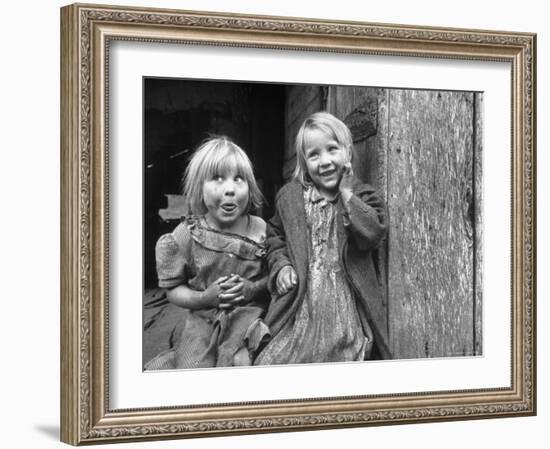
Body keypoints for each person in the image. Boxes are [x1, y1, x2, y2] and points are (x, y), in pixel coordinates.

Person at [255, 111, 391, 365]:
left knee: (340, 356)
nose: (325, 161)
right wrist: (281, 265)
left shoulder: (363, 196)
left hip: (344, 302)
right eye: (313, 154)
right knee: (277, 358)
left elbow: (371, 234)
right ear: (304, 162)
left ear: (348, 152)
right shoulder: (291, 198)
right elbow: (274, 237)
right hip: (302, 300)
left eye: (332, 149)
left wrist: (347, 195)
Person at [145, 137, 270, 370]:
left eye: (239, 179)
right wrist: (204, 298)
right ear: (199, 187)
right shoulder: (188, 234)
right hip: (203, 320)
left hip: (251, 319)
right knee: (193, 368)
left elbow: (274, 275)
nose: (230, 189)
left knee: (247, 363)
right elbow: (172, 289)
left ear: (251, 188)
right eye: (217, 179)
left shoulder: (262, 229)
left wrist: (252, 288)